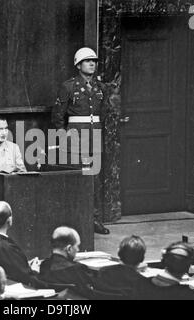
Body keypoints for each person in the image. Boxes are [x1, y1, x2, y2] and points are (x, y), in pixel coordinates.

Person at [51, 47, 109, 235]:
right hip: (76, 137)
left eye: (94, 60)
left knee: (95, 178)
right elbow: (58, 115)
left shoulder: (100, 87)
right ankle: (77, 220)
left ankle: (94, 219)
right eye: (87, 61)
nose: (92, 63)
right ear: (78, 65)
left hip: (95, 137)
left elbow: (104, 113)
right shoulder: (69, 87)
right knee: (78, 177)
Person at [38, 226, 121, 299]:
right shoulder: (76, 269)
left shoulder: (44, 266)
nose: (78, 250)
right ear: (69, 248)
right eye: (77, 246)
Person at [0, 201, 43, 288]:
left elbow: (9, 266)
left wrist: (24, 264)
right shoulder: (6, 247)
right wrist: (34, 270)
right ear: (9, 220)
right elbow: (25, 278)